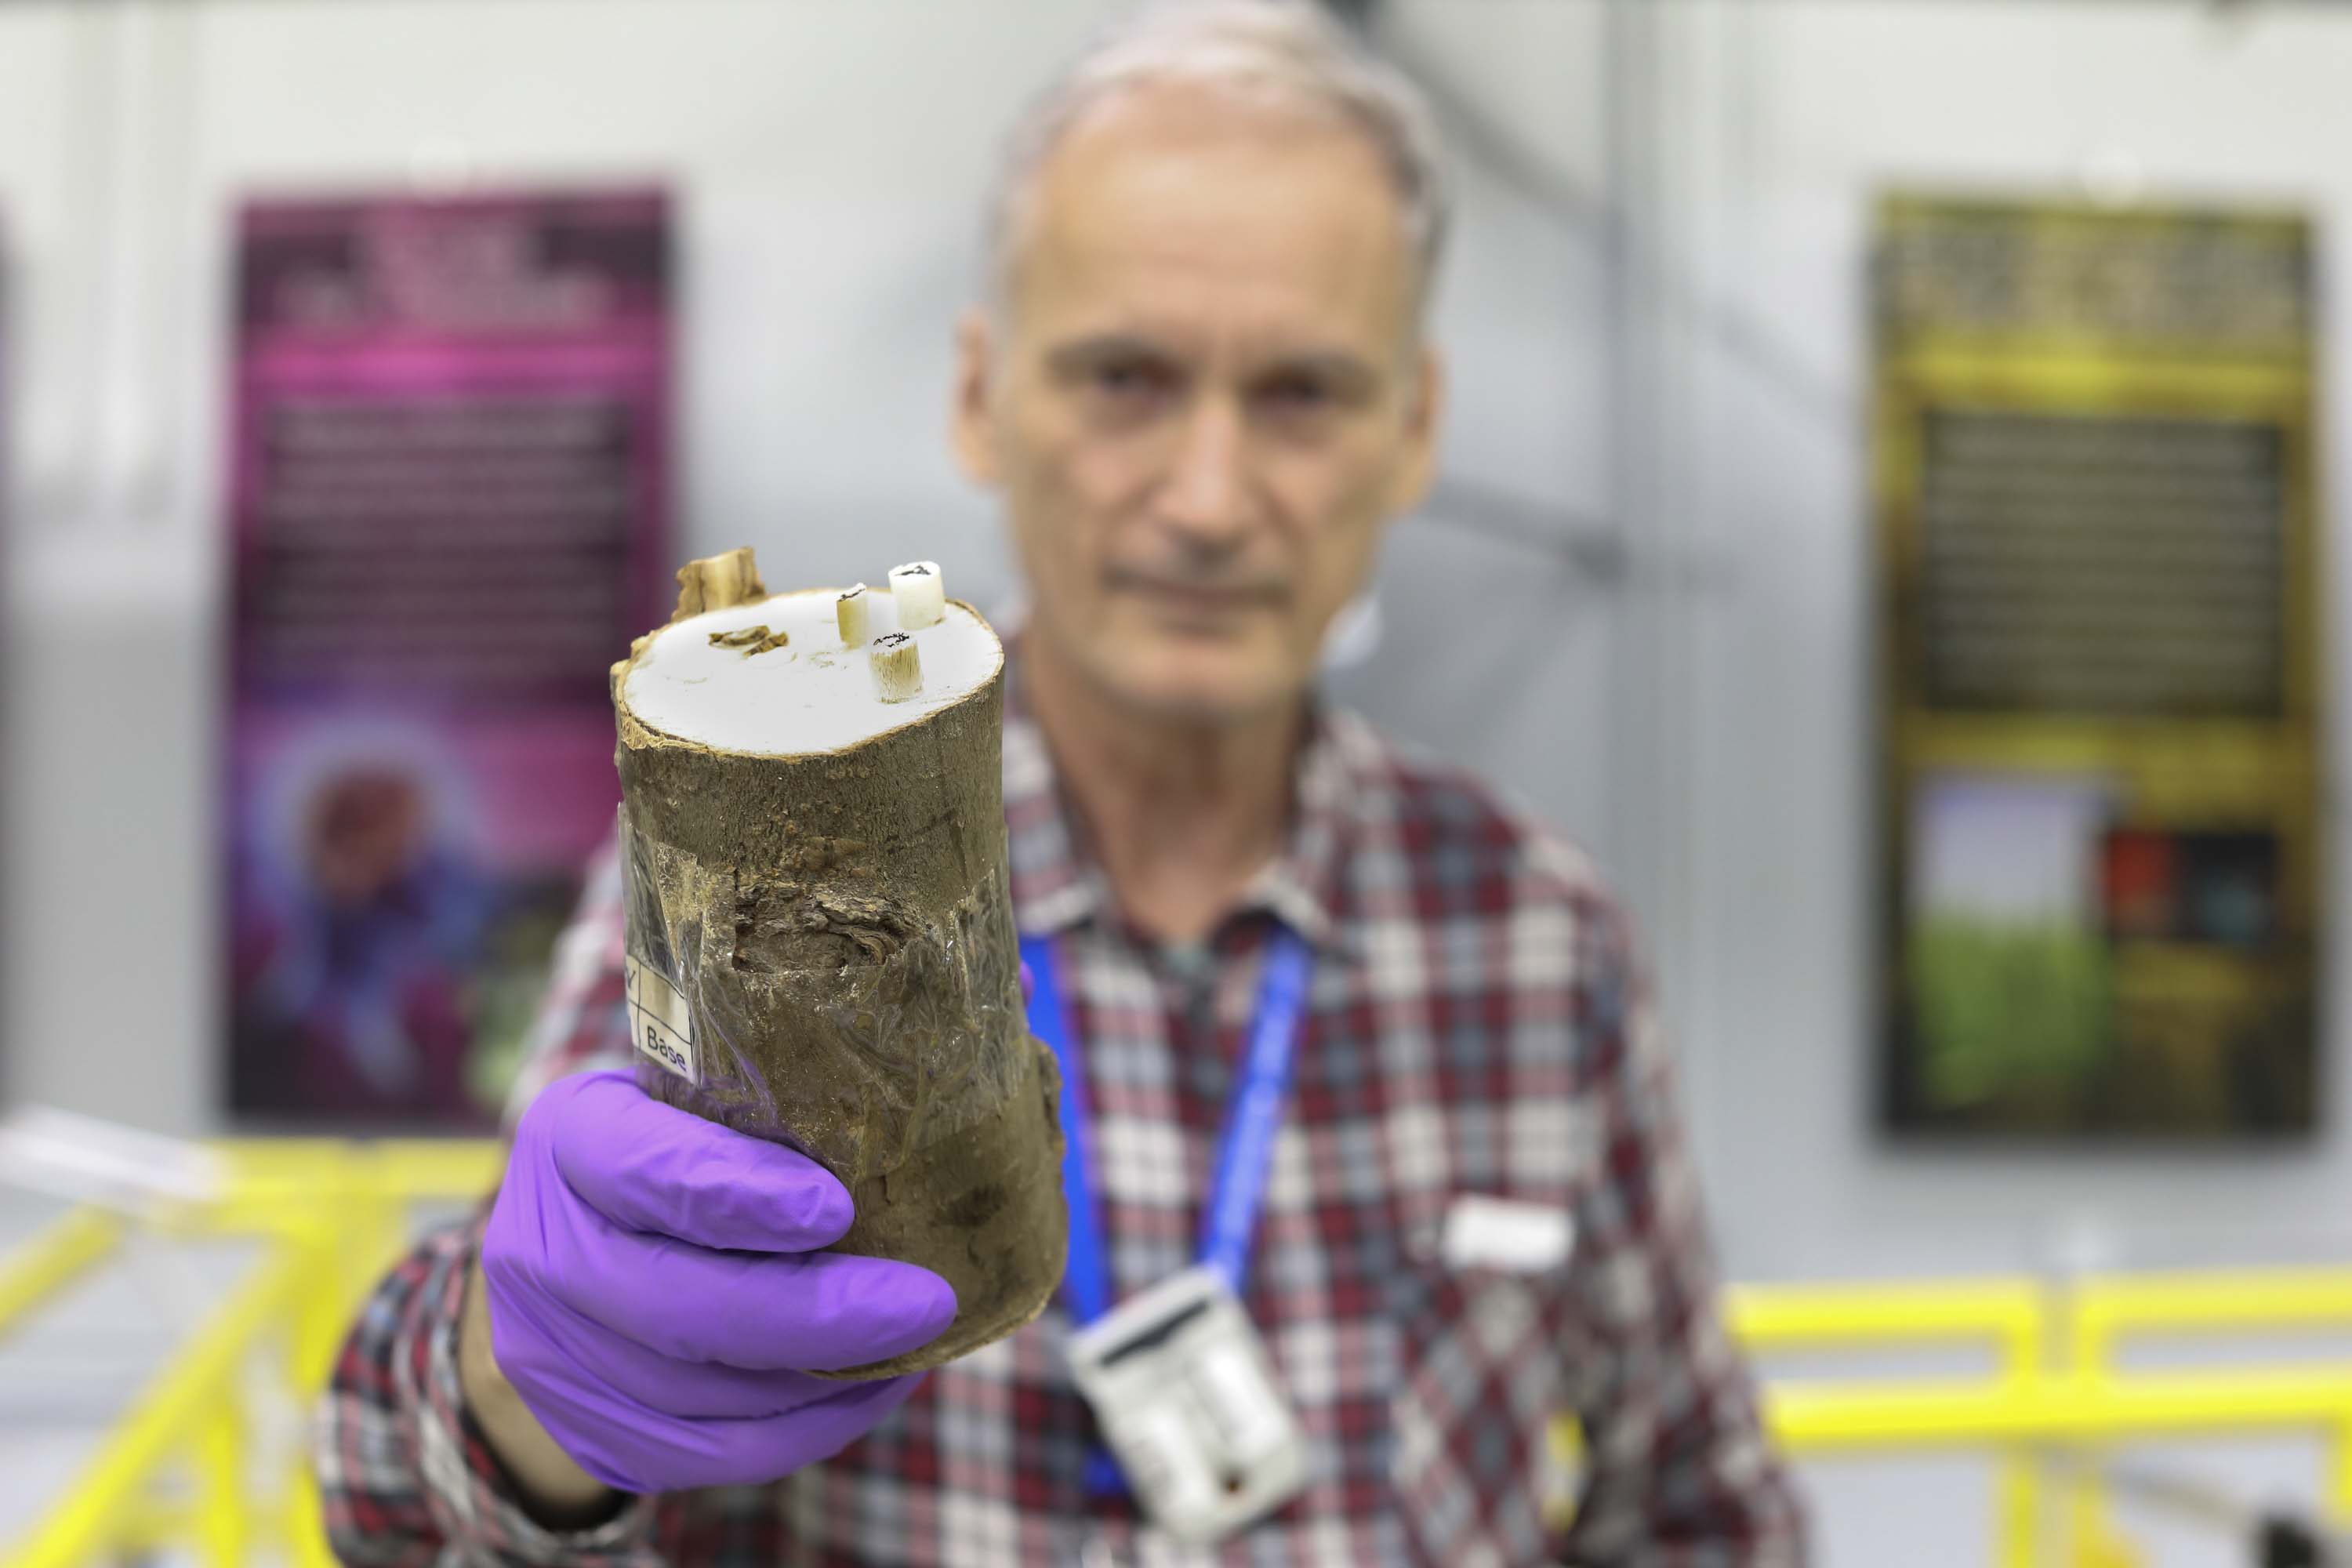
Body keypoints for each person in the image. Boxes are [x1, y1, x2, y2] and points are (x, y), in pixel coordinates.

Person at [312, 4, 1806, 1563]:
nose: (1211, 497)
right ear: (981, 396)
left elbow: (1702, 1504)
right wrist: (516, 1391)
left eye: (1301, 393)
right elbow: (387, 1502)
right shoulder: (744, 884)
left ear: (1414, 427)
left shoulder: (1537, 939)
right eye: (1124, 378)